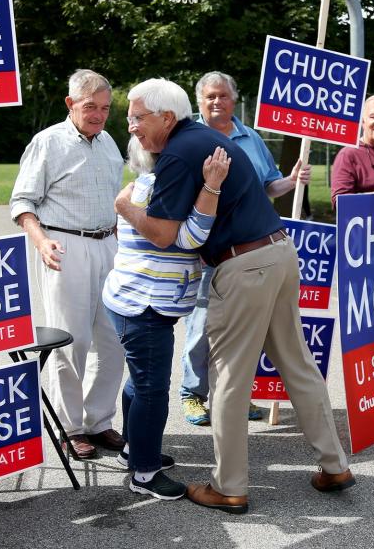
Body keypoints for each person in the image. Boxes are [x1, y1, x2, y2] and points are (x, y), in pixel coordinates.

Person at [116, 78, 353, 514]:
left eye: (136, 117)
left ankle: (228, 487)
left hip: (243, 266)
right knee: (298, 365)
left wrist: (125, 208)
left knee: (227, 380)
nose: (130, 126)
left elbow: (166, 234)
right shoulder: (203, 139)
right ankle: (335, 465)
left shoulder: (176, 154)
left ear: (166, 117)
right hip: (279, 253)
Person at [179, 71, 311, 426]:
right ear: (199, 102)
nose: (217, 102)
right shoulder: (188, 139)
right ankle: (193, 393)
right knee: (202, 322)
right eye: (210, 97)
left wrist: (293, 180)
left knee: (247, 327)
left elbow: (269, 186)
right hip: (211, 249)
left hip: (252, 253)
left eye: (223, 95)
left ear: (234, 100)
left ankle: (235, 395)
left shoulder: (250, 138)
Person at [103, 134, 230, 500]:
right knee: (152, 388)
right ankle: (144, 473)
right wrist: (211, 186)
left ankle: (133, 448)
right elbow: (190, 238)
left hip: (134, 300)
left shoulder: (144, 186)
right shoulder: (157, 189)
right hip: (143, 304)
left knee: (139, 379)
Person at [9, 69, 126, 461]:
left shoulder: (109, 142)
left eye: (105, 108)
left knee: (113, 340)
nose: (98, 115)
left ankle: (99, 420)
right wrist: (41, 241)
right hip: (65, 246)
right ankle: (70, 427)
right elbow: (22, 202)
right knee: (70, 341)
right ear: (70, 104)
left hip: (108, 245)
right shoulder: (47, 142)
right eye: (90, 107)